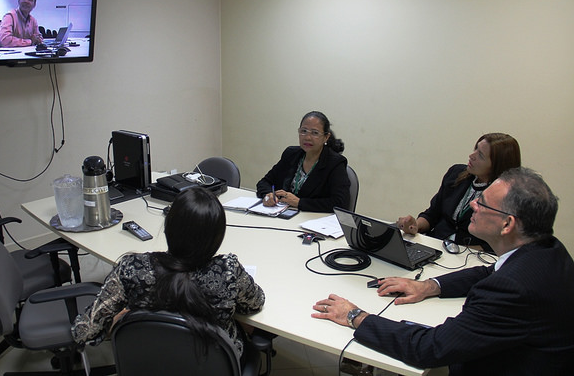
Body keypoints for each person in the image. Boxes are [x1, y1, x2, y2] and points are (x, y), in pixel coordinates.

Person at [312, 167, 574, 375]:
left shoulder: (513, 289)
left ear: (507, 224)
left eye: (482, 203)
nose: (473, 205)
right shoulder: (547, 250)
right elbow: (488, 272)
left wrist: (355, 316)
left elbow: (429, 348)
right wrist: (429, 286)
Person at [72, 187, 265, 360]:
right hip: (213, 365)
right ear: (217, 237)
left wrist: (121, 318)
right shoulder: (228, 270)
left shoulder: (132, 268)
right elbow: (255, 303)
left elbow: (84, 331)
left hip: (150, 364)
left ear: (167, 227)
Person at [397, 132, 520, 252]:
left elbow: (503, 243)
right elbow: (432, 214)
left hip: (472, 256)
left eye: (481, 155)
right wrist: (415, 226)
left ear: (497, 165)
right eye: (475, 149)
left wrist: (461, 251)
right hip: (436, 246)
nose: (472, 155)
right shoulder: (456, 174)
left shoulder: (507, 195)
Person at [256, 111, 351, 213]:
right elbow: (264, 182)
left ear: (326, 137)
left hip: (312, 221)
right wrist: (268, 195)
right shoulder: (291, 154)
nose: (307, 137)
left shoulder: (335, 163)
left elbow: (341, 203)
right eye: (304, 131)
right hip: (282, 214)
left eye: (315, 133)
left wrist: (300, 203)